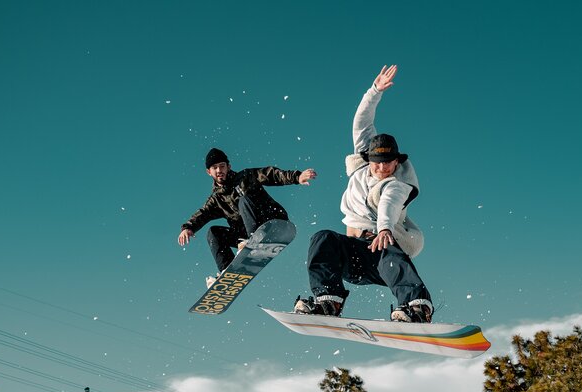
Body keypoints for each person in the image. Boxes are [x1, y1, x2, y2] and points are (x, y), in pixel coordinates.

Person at [294, 65, 433, 323]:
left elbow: (389, 205)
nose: (382, 168)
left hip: (380, 258)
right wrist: (375, 91)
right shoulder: (362, 168)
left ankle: (416, 307)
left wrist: (384, 229)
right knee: (322, 238)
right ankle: (328, 300)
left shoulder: (397, 184)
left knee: (388, 249)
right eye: (377, 162)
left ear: (396, 162)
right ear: (368, 159)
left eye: (388, 163)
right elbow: (361, 122)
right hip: (351, 258)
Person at [178, 148, 317, 286]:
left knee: (243, 200)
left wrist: (296, 177)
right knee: (213, 232)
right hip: (245, 235)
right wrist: (188, 227)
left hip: (272, 218)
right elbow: (203, 213)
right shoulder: (216, 200)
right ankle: (227, 271)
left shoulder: (246, 177)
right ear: (209, 172)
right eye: (215, 168)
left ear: (228, 167)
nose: (219, 170)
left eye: (222, 166)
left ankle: (251, 241)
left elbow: (271, 174)